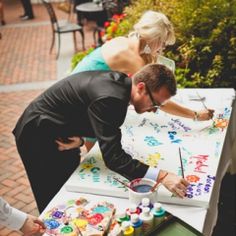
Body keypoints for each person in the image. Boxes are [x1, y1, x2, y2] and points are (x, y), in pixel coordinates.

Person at [13, 64, 189, 213]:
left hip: (59, 132)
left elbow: (92, 116)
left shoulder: (121, 85)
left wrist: (81, 141)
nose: (154, 110)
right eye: (155, 103)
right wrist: (162, 176)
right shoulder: (112, 99)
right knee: (55, 204)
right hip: (37, 136)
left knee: (73, 196)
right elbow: (114, 159)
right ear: (141, 87)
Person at [71, 10, 214, 149]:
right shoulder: (132, 58)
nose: (162, 48)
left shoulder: (125, 42)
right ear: (154, 38)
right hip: (80, 99)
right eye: (162, 43)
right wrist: (194, 115)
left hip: (78, 86)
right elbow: (158, 100)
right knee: (93, 154)